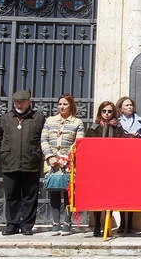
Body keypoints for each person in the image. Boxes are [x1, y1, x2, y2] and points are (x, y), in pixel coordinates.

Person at [0, 90, 46, 236]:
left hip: (30, 163)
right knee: (12, 195)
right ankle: (12, 224)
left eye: (22, 101)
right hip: (10, 163)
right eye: (16, 102)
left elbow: (43, 139)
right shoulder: (6, 118)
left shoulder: (38, 118)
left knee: (29, 196)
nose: (19, 104)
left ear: (29, 102)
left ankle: (27, 225)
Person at [41, 93, 85, 236]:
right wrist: (50, 157)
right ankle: (55, 223)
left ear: (71, 105)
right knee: (54, 191)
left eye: (65, 104)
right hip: (52, 162)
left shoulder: (77, 122)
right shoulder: (50, 120)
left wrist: (66, 158)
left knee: (68, 193)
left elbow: (78, 143)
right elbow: (44, 140)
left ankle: (67, 222)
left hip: (68, 163)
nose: (62, 106)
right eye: (60, 104)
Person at [85, 101, 124, 237]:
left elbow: (122, 146)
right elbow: (87, 147)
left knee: (110, 196)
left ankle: (107, 224)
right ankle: (96, 224)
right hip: (97, 167)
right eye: (104, 111)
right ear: (100, 112)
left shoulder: (118, 127)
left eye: (109, 111)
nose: (107, 114)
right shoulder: (93, 127)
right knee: (97, 197)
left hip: (112, 167)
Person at [115, 96, 141, 232]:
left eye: (131, 105)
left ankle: (130, 223)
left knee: (132, 192)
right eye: (126, 105)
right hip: (120, 159)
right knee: (121, 191)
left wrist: (138, 137)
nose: (129, 107)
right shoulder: (116, 122)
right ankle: (122, 222)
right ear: (120, 107)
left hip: (136, 159)